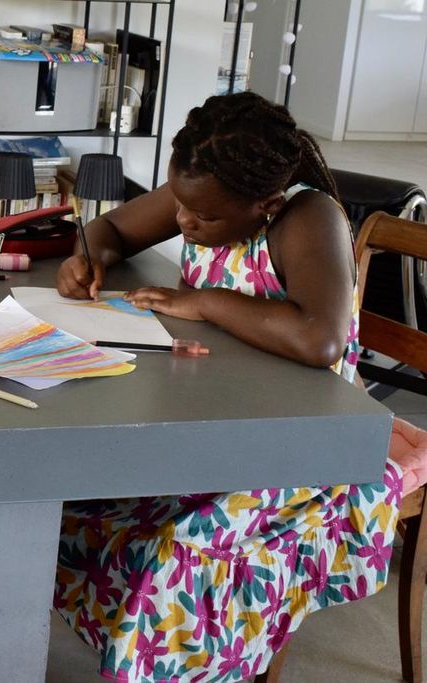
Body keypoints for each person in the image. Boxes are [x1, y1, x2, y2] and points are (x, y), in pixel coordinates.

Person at [52, 92, 422, 682]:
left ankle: (170, 665)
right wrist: (90, 255)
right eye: (180, 206)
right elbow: (113, 226)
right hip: (212, 417)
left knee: (177, 553)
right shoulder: (203, 190)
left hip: (309, 451)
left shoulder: (308, 217)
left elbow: (319, 340)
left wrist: (200, 300)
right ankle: (132, 654)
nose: (184, 223)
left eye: (203, 219)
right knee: (72, 501)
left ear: (265, 203)